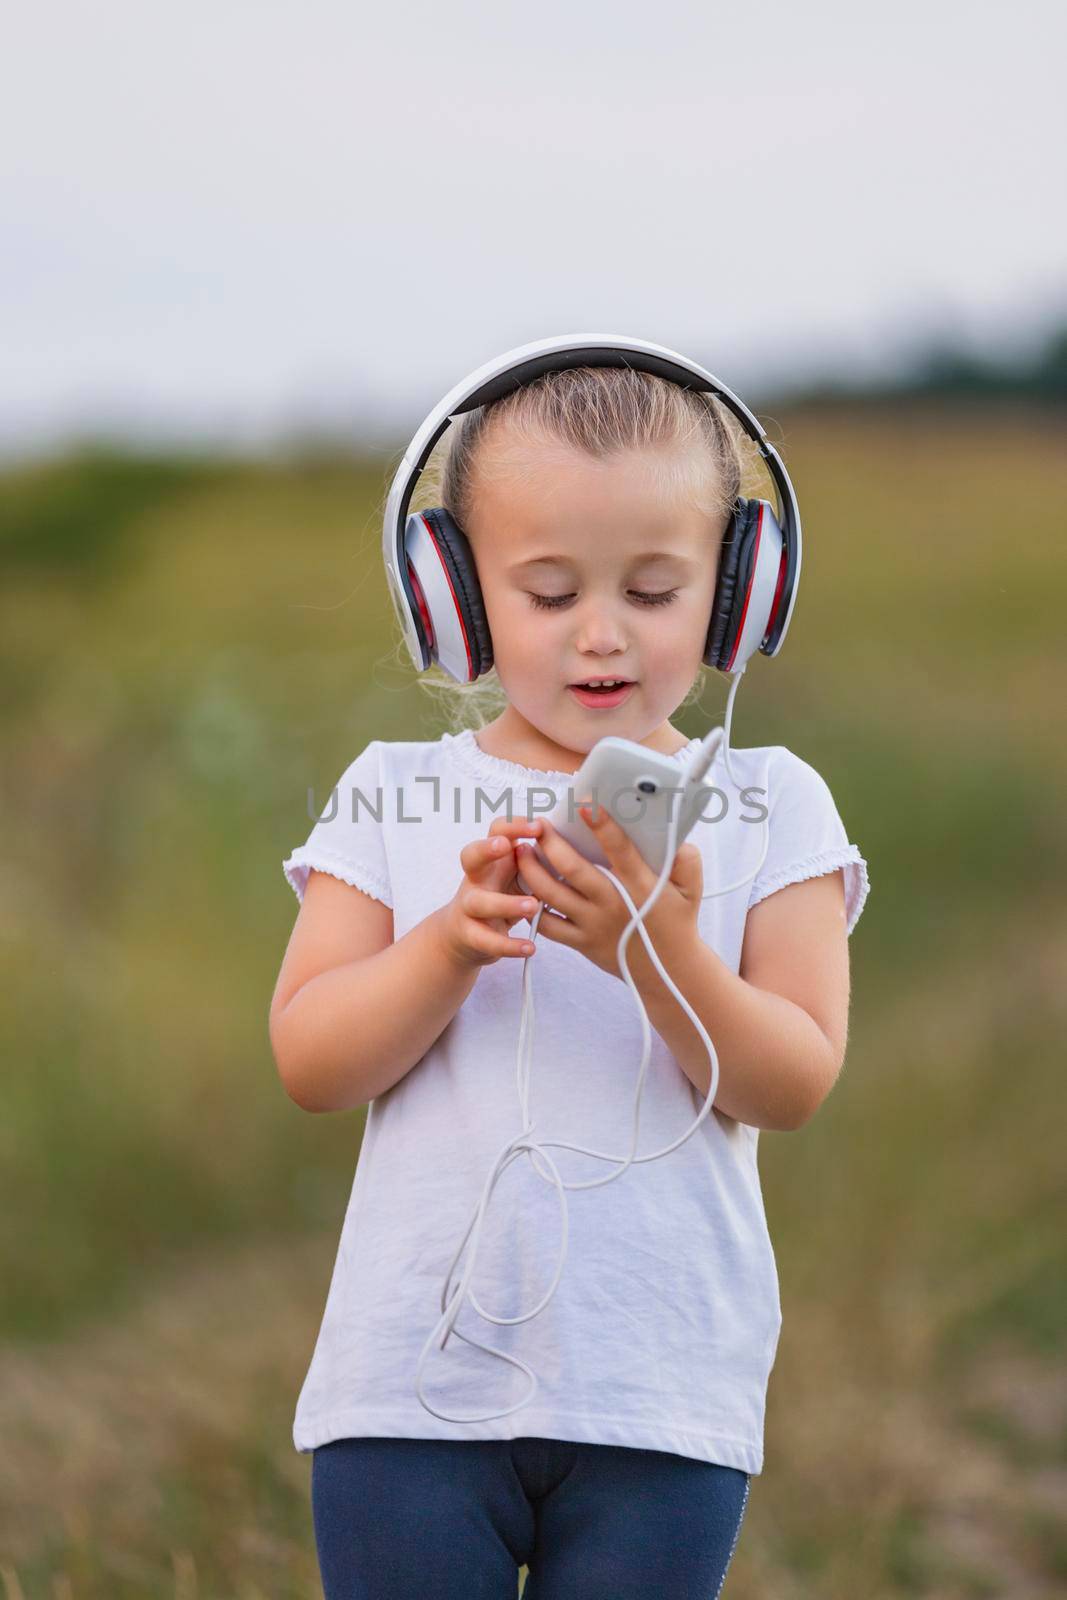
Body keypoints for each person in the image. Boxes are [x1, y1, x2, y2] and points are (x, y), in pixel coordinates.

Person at [270, 359, 870, 1599]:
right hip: (409, 1391)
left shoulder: (769, 801)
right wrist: (442, 945)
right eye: (547, 592)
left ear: (734, 595)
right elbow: (310, 1060)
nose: (601, 631)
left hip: (658, 1394)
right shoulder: (395, 788)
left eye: (653, 589)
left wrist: (658, 951)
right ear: (457, 599)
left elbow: (790, 1080)